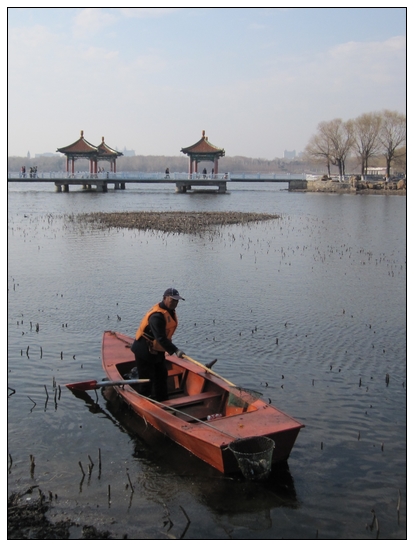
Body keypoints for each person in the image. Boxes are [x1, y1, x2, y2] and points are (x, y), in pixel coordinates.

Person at [131, 288, 185, 401]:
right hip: (144, 351)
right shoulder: (157, 316)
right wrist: (176, 350)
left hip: (157, 350)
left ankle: (163, 401)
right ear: (165, 298)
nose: (175, 303)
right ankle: (145, 402)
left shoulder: (169, 311)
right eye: (172, 300)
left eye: (177, 301)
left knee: (161, 376)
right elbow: (160, 338)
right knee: (146, 380)